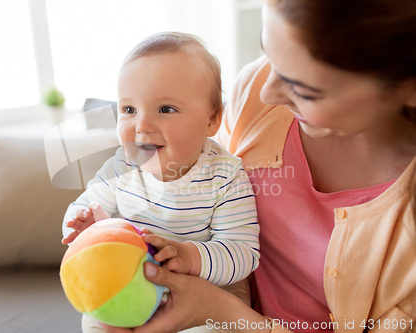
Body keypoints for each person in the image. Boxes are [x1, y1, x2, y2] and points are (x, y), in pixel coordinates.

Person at [99, 1, 416, 333]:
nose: (266, 92)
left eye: (304, 89)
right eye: (270, 56)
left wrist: (218, 310)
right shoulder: (253, 93)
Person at [61, 32, 261, 332]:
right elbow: (85, 205)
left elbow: (243, 254)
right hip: (131, 285)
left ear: (212, 119)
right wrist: (85, 225)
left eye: (165, 109)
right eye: (129, 110)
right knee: (94, 322)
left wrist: (187, 256)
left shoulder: (226, 175)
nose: (141, 125)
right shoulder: (121, 166)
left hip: (208, 295)